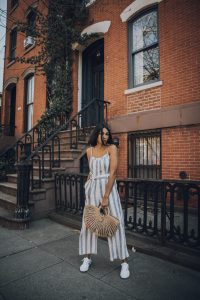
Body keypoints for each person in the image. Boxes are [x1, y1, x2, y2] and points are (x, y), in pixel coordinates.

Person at [79, 124, 130, 279]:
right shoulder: (89, 151)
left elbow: (113, 172)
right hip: (92, 190)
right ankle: (87, 258)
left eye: (108, 134)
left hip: (108, 190)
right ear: (97, 135)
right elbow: (91, 172)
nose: (106, 137)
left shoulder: (112, 149)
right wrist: (87, 188)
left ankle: (124, 262)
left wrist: (106, 196)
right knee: (89, 223)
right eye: (103, 134)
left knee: (116, 224)